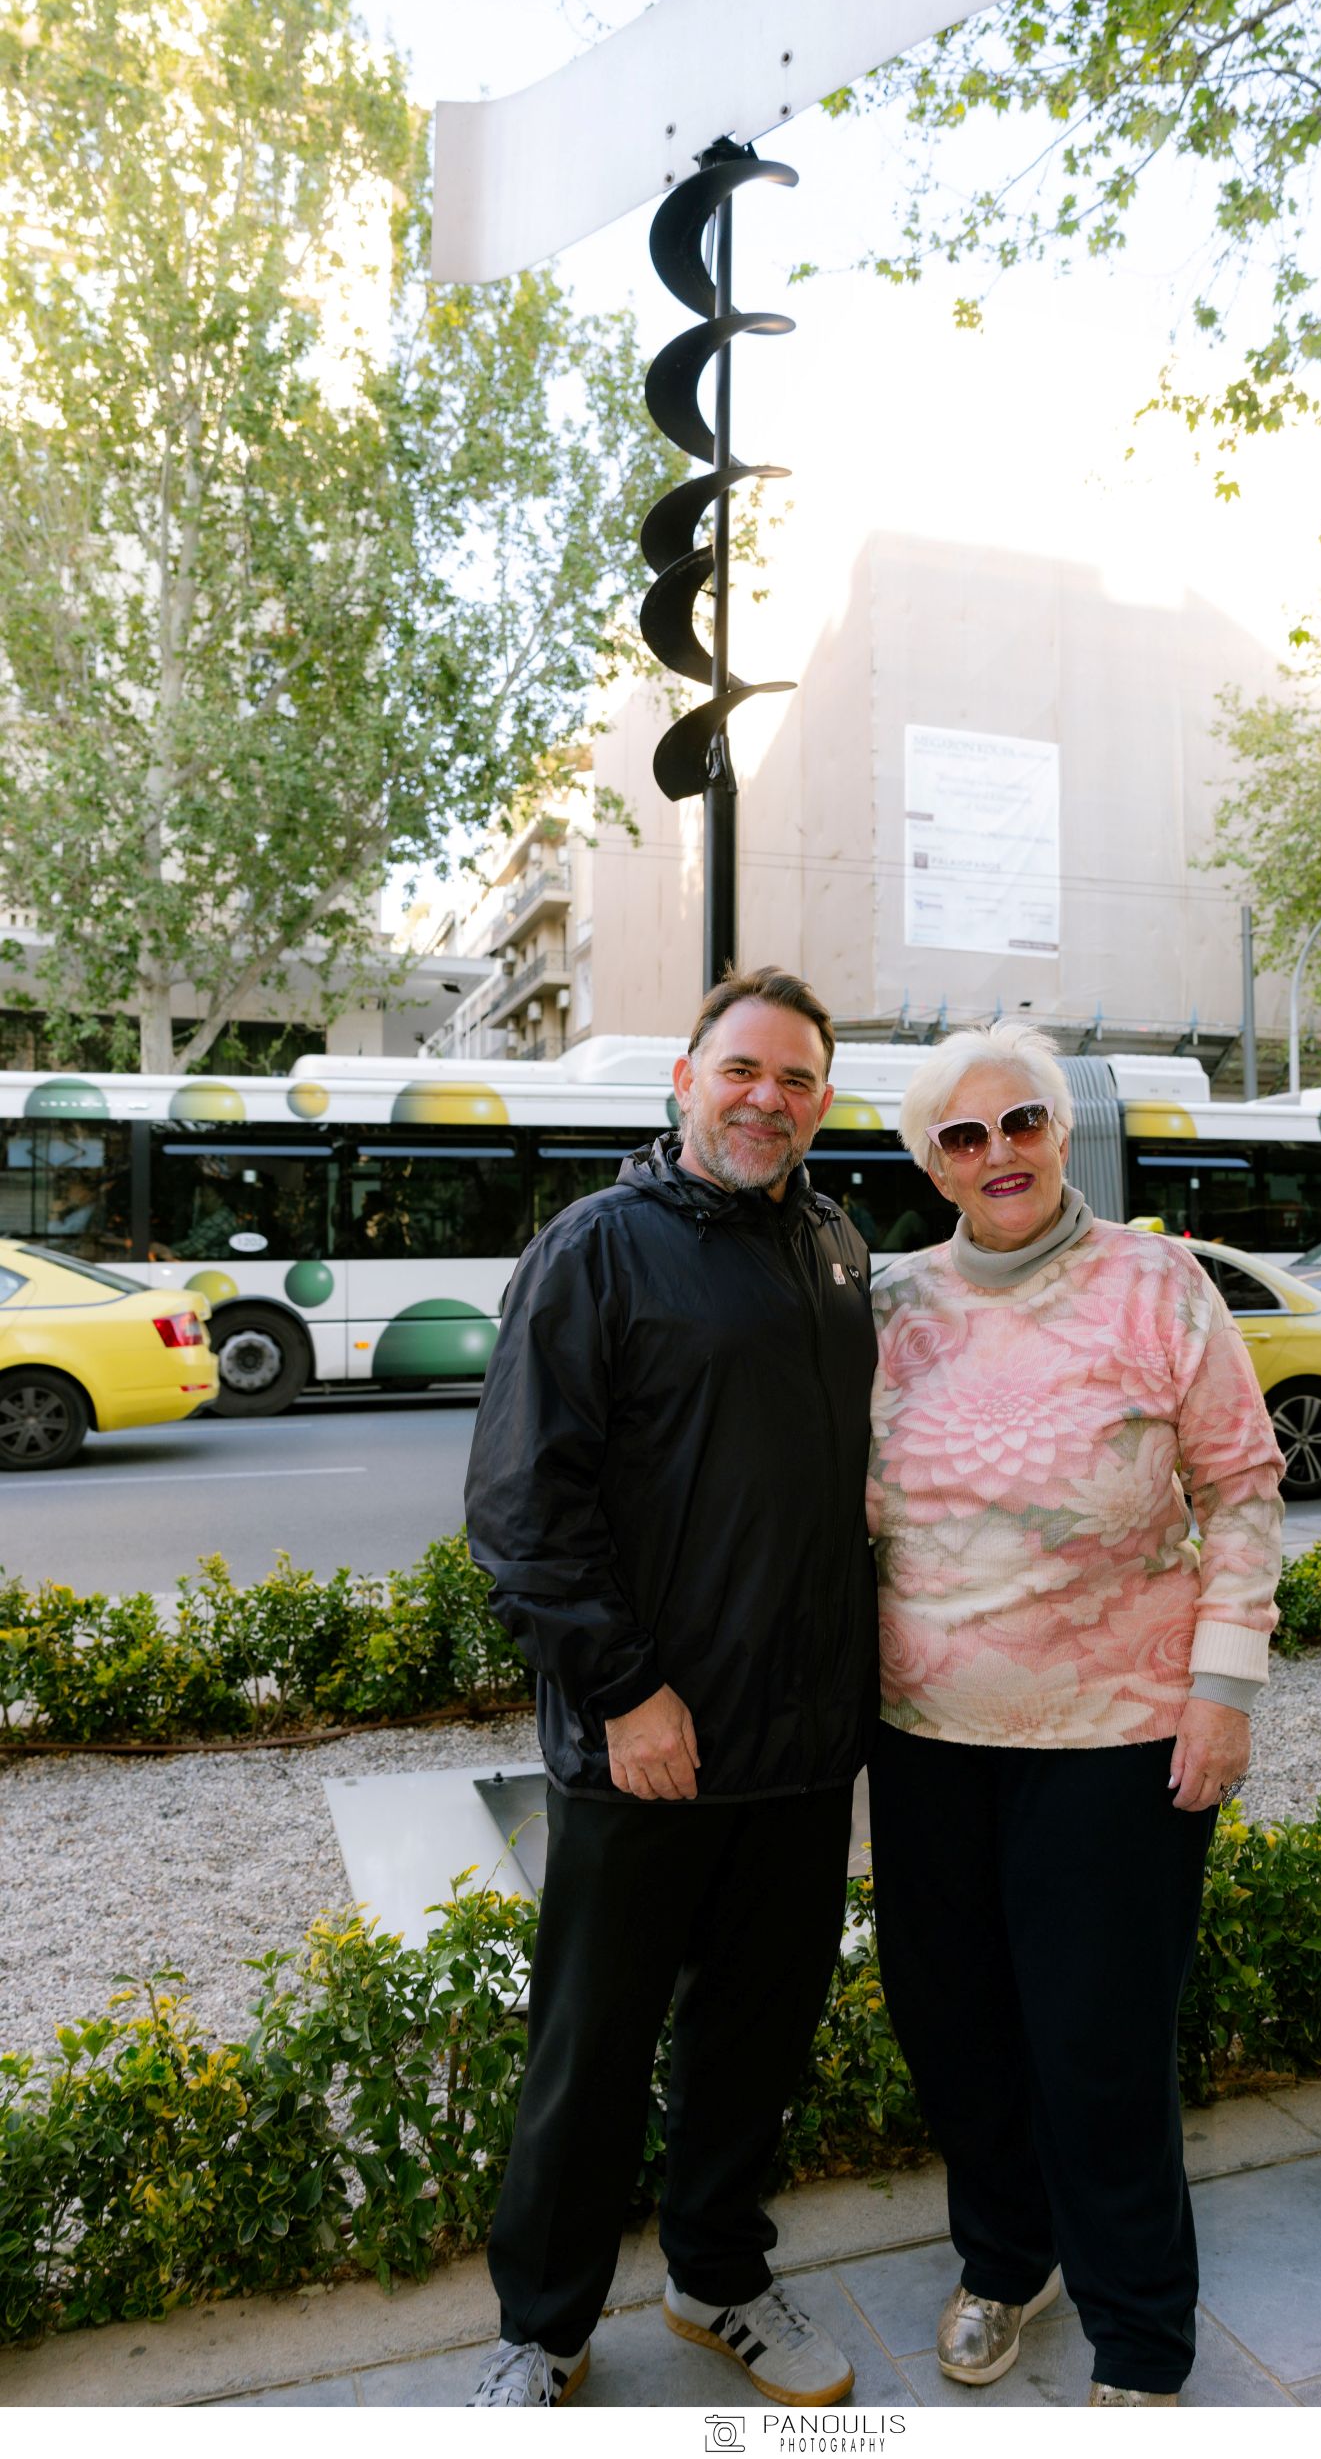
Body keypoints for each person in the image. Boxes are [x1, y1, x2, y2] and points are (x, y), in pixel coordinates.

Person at [462, 967, 879, 2410]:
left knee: (753, 2043)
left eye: (796, 1078)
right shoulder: (596, 1247)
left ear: (823, 1102)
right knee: (590, 2049)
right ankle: (544, 2328)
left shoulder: (835, 1243)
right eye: (742, 1070)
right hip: (645, 1744)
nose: (768, 1098)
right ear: (687, 1081)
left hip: (801, 1749)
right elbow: (523, 1511)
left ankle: (719, 2283)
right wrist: (626, 1694)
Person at [865, 1021, 1285, 2408]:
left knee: (1099, 2049)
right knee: (955, 2032)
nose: (1000, 1152)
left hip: (1116, 1739)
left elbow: (1241, 1490)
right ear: (931, 1165)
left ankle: (1143, 2339)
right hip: (924, 1742)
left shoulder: (1159, 1284)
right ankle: (1006, 2262)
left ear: (1060, 1131)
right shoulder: (888, 1307)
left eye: (1022, 1121)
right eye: (964, 1135)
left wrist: (1222, 1692)